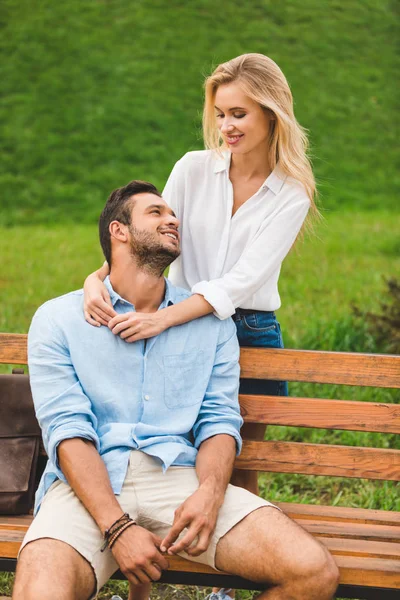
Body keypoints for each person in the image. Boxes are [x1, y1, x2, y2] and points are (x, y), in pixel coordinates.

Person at [13, 181, 339, 600]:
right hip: (88, 487)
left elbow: (219, 421)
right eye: (156, 212)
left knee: (312, 572)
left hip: (179, 478)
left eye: (172, 213)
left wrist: (210, 492)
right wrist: (117, 527)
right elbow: (67, 431)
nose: (173, 219)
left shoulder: (211, 325)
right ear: (120, 231)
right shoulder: (58, 319)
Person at [83, 53, 317, 494]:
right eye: (221, 114)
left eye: (239, 114)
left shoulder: (291, 193)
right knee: (179, 454)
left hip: (248, 329)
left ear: (271, 113)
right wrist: (94, 279)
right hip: (179, 325)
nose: (227, 125)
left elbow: (242, 280)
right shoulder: (192, 168)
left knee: (241, 463)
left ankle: (239, 550)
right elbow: (151, 238)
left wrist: (162, 319)